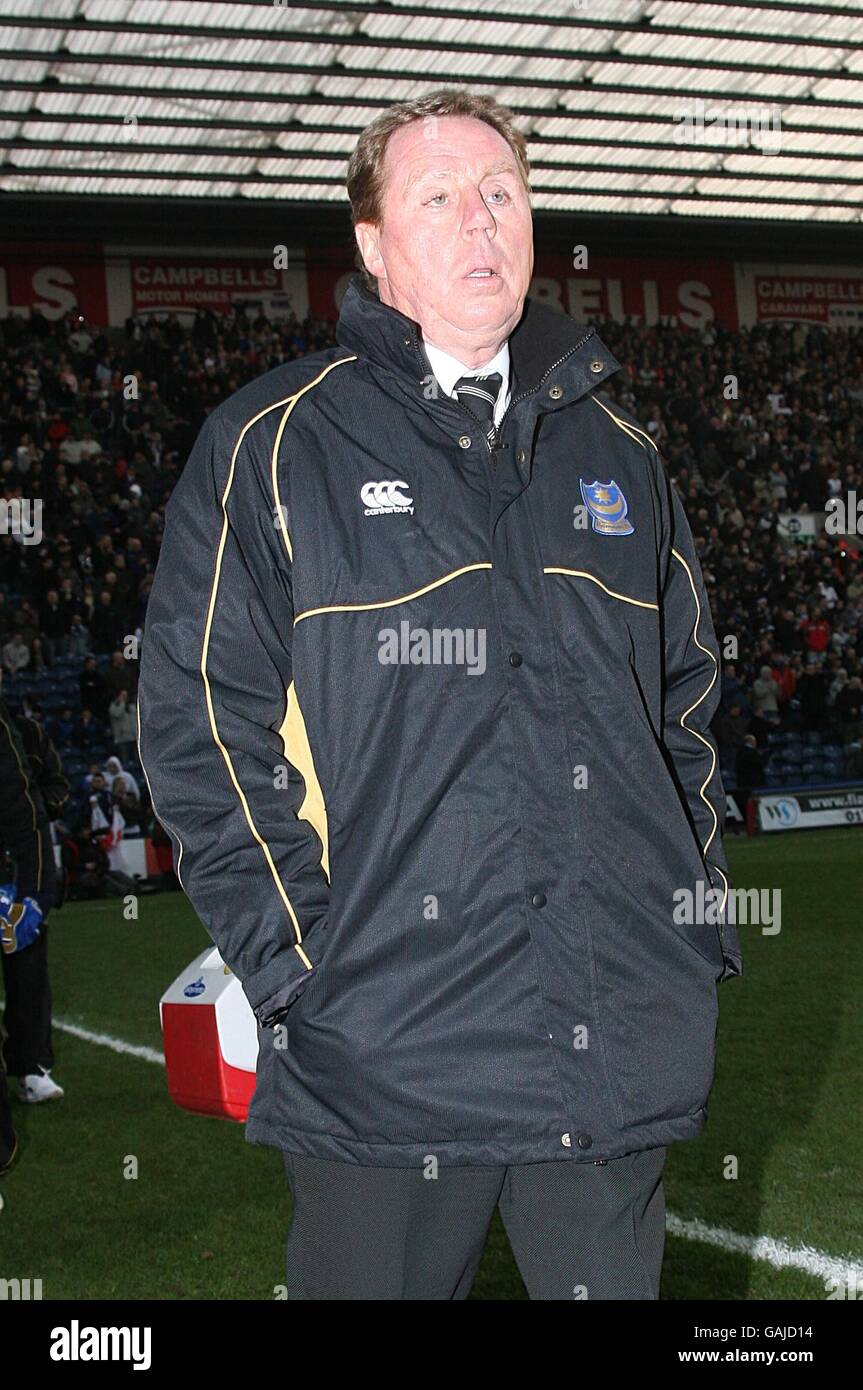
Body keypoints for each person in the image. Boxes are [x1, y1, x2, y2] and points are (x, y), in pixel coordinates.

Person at [138, 87, 742, 1301]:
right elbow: (200, 723)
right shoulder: (271, 444)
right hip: (385, 1051)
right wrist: (304, 969)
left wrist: (689, 919)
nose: (481, 222)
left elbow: (687, 709)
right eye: (437, 197)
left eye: (502, 193)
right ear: (372, 247)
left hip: (610, 1033)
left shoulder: (619, 450)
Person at [0, 670, 62, 1110]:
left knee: (27, 973)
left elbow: (27, 810)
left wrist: (34, 893)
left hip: (8, 873)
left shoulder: (19, 731)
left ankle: (30, 1067)